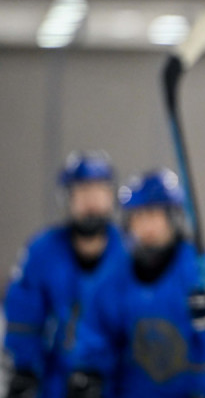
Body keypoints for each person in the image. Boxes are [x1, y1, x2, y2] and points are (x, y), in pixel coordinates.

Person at [66, 168, 205, 398]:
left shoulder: (200, 271)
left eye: (155, 216)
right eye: (139, 217)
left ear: (173, 218)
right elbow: (96, 334)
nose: (147, 228)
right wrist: (89, 373)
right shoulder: (114, 279)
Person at [2, 151, 127, 398]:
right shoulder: (42, 251)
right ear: (68, 198)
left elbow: (142, 327)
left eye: (98, 192)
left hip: (117, 383)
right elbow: (24, 316)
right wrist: (25, 369)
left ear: (111, 197)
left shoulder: (130, 254)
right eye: (82, 193)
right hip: (55, 381)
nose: (91, 202)